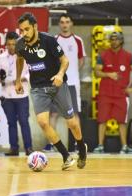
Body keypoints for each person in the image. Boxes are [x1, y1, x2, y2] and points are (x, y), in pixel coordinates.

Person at [15, 12, 87, 170]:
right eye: (21, 30)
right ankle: (66, 156)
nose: (24, 33)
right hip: (38, 87)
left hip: (57, 84)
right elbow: (19, 59)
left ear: (35, 27)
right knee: (42, 122)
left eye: (27, 29)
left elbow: (65, 60)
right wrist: (18, 79)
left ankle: (82, 148)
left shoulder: (48, 40)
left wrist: (60, 74)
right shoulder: (20, 44)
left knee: (72, 123)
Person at [43, 13, 86, 152]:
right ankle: (51, 144)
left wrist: (71, 72)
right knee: (53, 114)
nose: (64, 24)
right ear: (59, 24)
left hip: (73, 83)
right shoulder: (53, 40)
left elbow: (81, 61)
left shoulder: (78, 40)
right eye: (62, 22)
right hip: (57, 83)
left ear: (71, 23)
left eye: (67, 21)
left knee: (74, 115)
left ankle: (77, 144)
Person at [94, 32, 132, 154]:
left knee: (122, 121)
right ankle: (100, 146)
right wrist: (108, 74)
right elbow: (97, 72)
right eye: (112, 39)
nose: (114, 41)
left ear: (121, 41)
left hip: (121, 94)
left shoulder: (128, 56)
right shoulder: (103, 55)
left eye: (116, 39)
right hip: (105, 93)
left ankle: (124, 146)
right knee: (102, 120)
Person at [0, 32, 33, 156]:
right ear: (5, 44)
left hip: (21, 94)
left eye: (14, 44)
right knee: (11, 122)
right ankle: (14, 148)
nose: (11, 47)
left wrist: (21, 79)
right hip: (7, 95)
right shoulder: (0, 58)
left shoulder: (25, 56)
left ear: (18, 44)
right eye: (9, 44)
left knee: (24, 121)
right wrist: (0, 78)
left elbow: (31, 72)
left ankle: (28, 148)